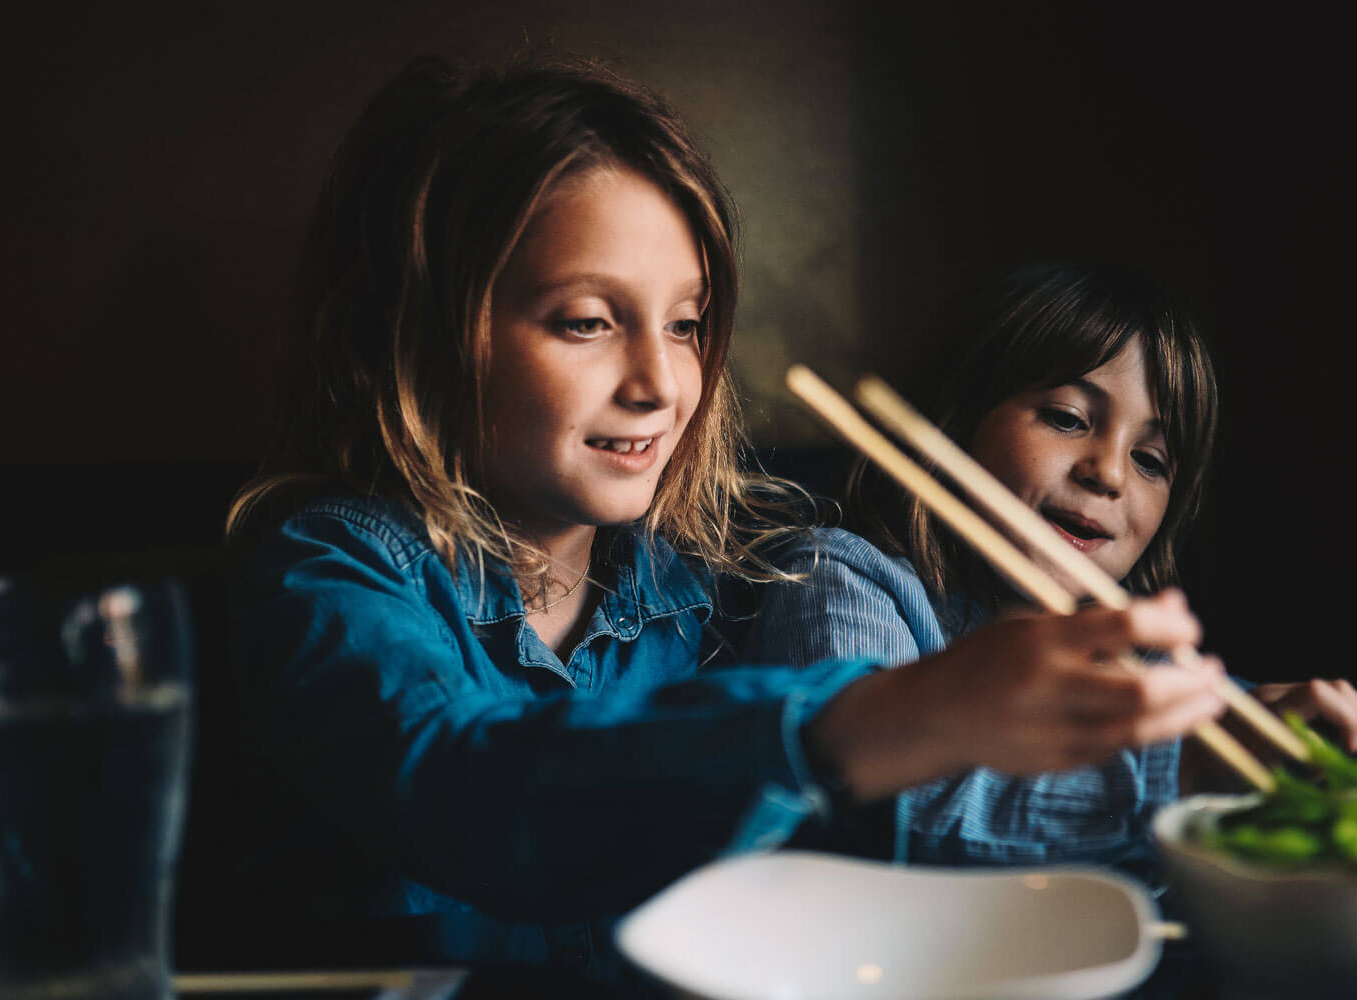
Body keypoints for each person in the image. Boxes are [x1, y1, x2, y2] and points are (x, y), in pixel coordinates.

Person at [222, 58, 1231, 988]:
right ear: (423, 334)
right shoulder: (331, 571)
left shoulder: (706, 585)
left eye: (686, 324)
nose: (661, 383)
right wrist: (873, 719)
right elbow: (468, 784)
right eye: (585, 320)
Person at [741, 262, 1357, 884]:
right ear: (956, 422)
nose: (1108, 472)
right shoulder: (841, 580)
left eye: (1151, 459)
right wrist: (1185, 773)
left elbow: (1275, 731)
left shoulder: (1124, 656)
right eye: (1069, 417)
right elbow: (884, 800)